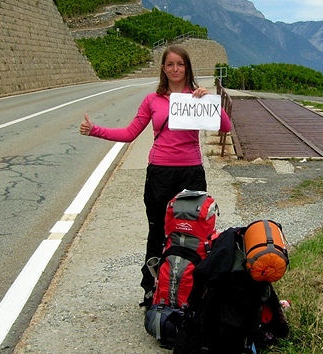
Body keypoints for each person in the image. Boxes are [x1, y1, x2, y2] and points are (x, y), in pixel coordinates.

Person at [79, 45, 231, 308]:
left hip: (191, 172)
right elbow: (129, 133)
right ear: (163, 68)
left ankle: (192, 288)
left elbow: (225, 127)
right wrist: (95, 130)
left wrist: (208, 100)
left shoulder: (196, 98)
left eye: (180, 64)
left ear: (187, 68)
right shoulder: (152, 100)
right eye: (170, 64)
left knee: (195, 233)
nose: (175, 69)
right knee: (157, 232)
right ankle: (152, 289)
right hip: (159, 172)